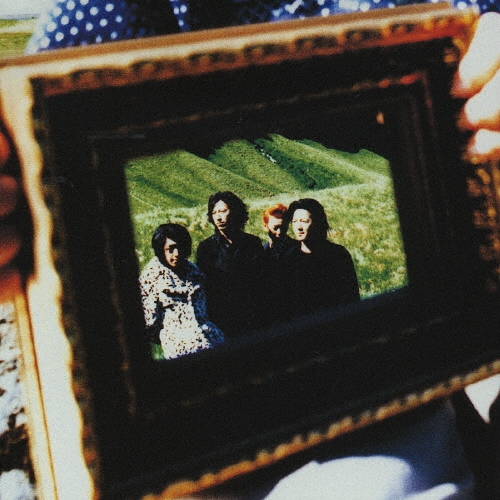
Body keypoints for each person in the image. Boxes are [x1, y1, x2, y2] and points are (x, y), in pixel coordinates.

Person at [139, 223, 224, 360]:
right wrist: (171, 336)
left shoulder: (194, 271)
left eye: (180, 247)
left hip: (212, 339)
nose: (177, 254)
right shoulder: (152, 278)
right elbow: (149, 322)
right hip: (180, 348)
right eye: (171, 249)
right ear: (161, 249)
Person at [196, 191, 264, 337]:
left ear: (235, 211)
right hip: (221, 318)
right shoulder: (206, 248)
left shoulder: (252, 243)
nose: (218, 217)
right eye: (214, 212)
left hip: (251, 316)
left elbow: (261, 282)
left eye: (223, 211)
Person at [284, 198, 360, 318]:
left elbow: (351, 297)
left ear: (317, 223)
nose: (299, 227)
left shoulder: (337, 255)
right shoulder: (289, 258)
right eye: (294, 221)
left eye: (304, 221)